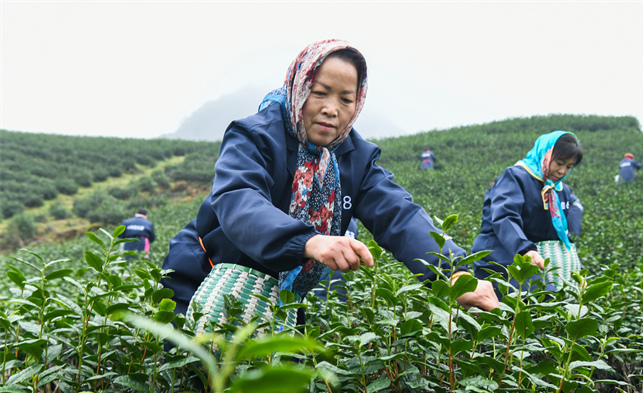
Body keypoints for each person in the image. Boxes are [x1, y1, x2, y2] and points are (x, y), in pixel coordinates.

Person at [160, 40, 498, 330]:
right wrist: (308, 241)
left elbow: (399, 215)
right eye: (319, 93)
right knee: (196, 377)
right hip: (204, 277)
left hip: (281, 296)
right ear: (298, 88)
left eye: (345, 100)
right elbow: (239, 199)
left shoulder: (353, 158)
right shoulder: (255, 135)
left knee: (275, 382)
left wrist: (453, 273)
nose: (331, 110)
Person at [472, 131, 583, 295]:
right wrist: (525, 249)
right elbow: (505, 217)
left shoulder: (560, 190)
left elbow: (560, 235)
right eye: (559, 163)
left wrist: (576, 268)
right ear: (545, 154)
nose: (562, 171)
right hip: (501, 253)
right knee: (541, 297)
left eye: (569, 167)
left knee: (559, 298)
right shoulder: (516, 177)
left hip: (534, 258)